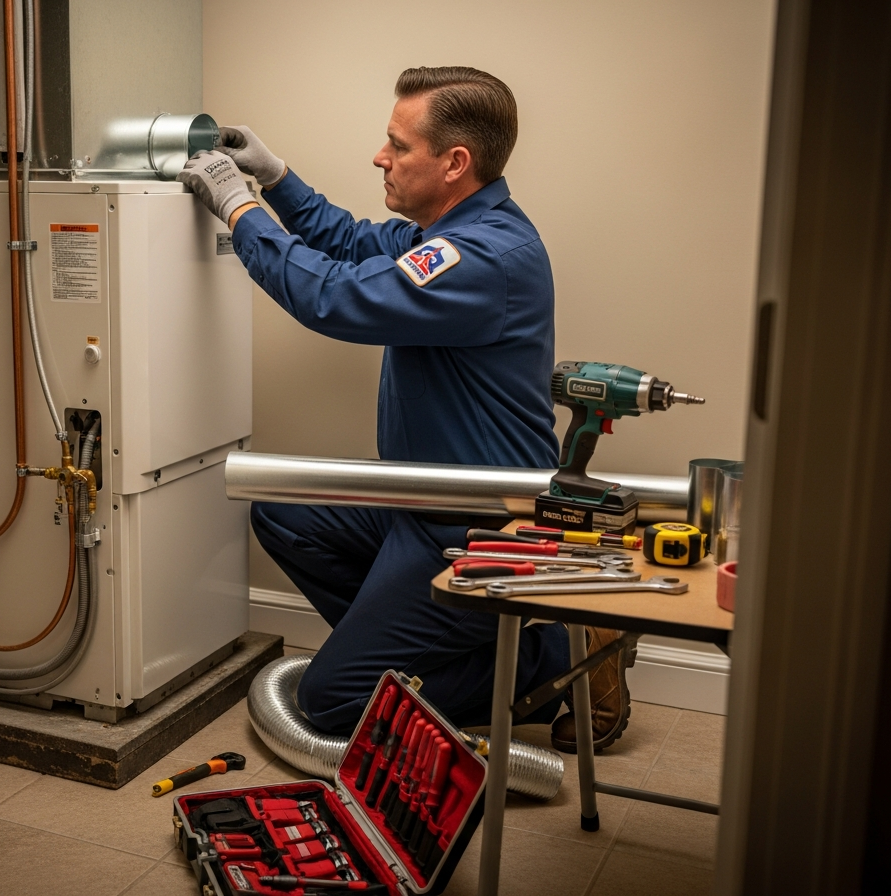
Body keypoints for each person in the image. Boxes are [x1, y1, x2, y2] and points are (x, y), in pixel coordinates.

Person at [178, 66, 634, 753]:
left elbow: (333, 298)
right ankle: (407, 656)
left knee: (332, 702)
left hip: (479, 527)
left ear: (455, 163)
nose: (380, 156)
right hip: (420, 502)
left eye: (398, 144)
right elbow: (351, 242)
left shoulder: (484, 256)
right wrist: (276, 178)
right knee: (284, 514)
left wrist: (240, 209)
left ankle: (555, 657)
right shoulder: (450, 231)